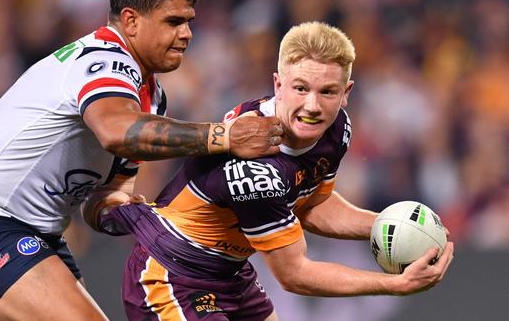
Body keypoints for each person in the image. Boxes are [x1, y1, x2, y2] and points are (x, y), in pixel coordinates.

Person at [0, 0, 284, 320]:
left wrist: (141, 216)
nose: (187, 34)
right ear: (130, 20)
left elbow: (105, 195)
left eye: (189, 22)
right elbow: (118, 133)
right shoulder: (104, 59)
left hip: (38, 233)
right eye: (173, 22)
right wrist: (224, 136)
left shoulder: (150, 95)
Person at [84, 21, 455, 320]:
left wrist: (397, 229)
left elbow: (312, 204)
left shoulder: (337, 128)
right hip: (172, 274)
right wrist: (396, 285)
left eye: (327, 91)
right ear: (277, 85)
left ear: (346, 93)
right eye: (300, 88)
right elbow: (294, 274)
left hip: (230, 274)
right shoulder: (256, 165)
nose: (312, 105)